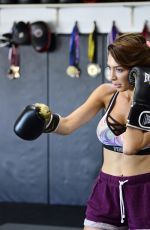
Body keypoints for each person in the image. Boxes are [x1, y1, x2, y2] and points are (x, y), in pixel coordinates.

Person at [14, 33, 150, 229]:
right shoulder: (106, 93)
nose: (111, 77)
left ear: (138, 70)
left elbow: (130, 146)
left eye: (119, 69)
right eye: (109, 68)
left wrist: (142, 97)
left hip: (143, 191)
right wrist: (47, 121)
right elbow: (68, 125)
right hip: (106, 188)